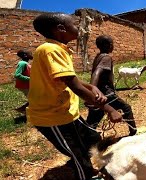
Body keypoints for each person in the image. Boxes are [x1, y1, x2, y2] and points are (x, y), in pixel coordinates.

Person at [27, 13, 122, 180]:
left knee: (93, 138)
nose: (80, 28)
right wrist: (109, 109)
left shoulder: (59, 49)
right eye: (75, 25)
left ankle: (84, 162)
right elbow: (74, 85)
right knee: (79, 155)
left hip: (68, 112)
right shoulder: (51, 50)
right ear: (61, 29)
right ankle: (86, 174)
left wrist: (91, 86)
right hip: (52, 117)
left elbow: (70, 78)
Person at [86, 35, 137, 136]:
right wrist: (92, 89)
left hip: (100, 94)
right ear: (108, 45)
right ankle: (133, 131)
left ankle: (86, 138)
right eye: (112, 44)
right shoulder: (106, 57)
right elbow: (97, 73)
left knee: (94, 118)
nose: (113, 46)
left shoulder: (98, 56)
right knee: (126, 108)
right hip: (106, 93)